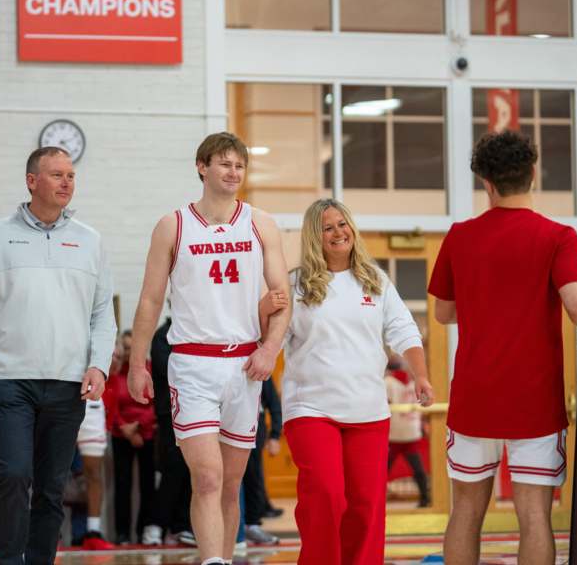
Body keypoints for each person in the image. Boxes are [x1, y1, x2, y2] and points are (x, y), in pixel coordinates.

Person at [428, 130, 577, 565]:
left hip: (475, 396)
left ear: (486, 183)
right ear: (532, 174)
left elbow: (444, 312)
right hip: (534, 400)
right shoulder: (558, 236)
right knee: (534, 518)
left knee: (466, 513)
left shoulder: (460, 235)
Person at [127, 131, 291, 565]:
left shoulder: (260, 223)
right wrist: (139, 363)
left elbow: (282, 296)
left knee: (231, 483)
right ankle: (211, 561)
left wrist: (270, 348)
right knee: (207, 477)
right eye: (224, 163)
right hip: (193, 364)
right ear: (202, 167)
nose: (233, 172)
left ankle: (224, 555)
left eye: (239, 165)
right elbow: (149, 299)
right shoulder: (173, 225)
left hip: (245, 365)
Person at [0, 146, 117, 565]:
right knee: (14, 474)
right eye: (57, 174)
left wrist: (98, 363)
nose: (67, 182)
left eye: (71, 175)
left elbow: (102, 313)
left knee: (51, 486)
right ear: (32, 181)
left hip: (68, 382)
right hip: (8, 379)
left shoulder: (91, 240)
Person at [272, 198, 433, 565]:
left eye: (342, 224)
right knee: (327, 497)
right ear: (316, 236)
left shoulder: (375, 280)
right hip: (310, 408)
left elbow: (403, 329)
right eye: (327, 227)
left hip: (368, 411)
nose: (338, 232)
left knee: (365, 506)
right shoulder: (297, 284)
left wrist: (420, 374)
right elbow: (272, 340)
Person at [106, 330, 158, 545]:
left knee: (147, 485)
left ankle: (144, 531)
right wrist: (123, 427)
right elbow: (111, 403)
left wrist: (139, 426)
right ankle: (123, 534)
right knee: (122, 485)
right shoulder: (117, 374)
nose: (128, 352)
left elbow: (157, 402)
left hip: (147, 434)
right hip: (121, 435)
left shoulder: (150, 371)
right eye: (125, 348)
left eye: (132, 347)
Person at [149, 316, 194, 545]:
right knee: (172, 468)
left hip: (195, 409)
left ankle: (181, 525)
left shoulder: (196, 329)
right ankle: (155, 525)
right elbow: (170, 369)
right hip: (170, 412)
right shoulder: (163, 335)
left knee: (192, 469)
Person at [385, 355, 430, 507]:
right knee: (418, 469)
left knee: (383, 470)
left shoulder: (388, 383)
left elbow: (386, 403)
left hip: (394, 432)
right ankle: (425, 499)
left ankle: (376, 500)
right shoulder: (412, 382)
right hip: (411, 429)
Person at [242, 376, 281, 545]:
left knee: (253, 476)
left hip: (254, 426)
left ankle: (252, 524)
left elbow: (274, 403)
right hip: (222, 424)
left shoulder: (259, 361)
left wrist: (275, 435)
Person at [76, 394, 113, 550]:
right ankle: (48, 534)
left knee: (94, 472)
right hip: (56, 393)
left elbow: (114, 368)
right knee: (51, 470)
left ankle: (93, 532)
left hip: (91, 399)